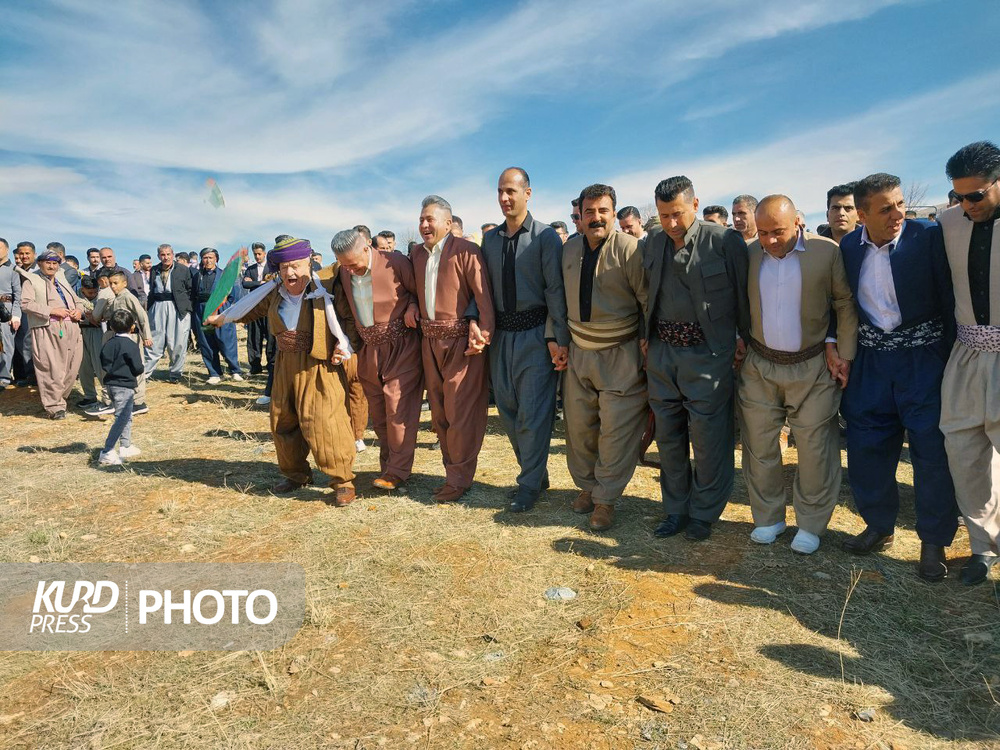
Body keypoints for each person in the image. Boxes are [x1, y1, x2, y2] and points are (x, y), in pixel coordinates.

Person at [838, 173, 959, 581]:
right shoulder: (848, 248)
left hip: (923, 359)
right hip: (873, 361)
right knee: (866, 443)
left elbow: (948, 297)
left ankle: (933, 541)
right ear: (862, 213)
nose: (897, 214)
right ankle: (878, 525)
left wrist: (946, 357)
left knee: (930, 449)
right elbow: (844, 303)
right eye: (885, 208)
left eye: (900, 204)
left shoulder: (927, 237)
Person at [738, 195, 857, 554]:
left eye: (779, 232)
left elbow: (843, 303)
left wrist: (843, 351)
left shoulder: (826, 252)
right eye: (763, 233)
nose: (770, 241)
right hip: (760, 365)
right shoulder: (747, 253)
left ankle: (811, 523)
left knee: (815, 447)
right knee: (758, 447)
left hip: (812, 365)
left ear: (798, 225)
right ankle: (769, 517)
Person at [207, 237, 360, 505]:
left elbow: (347, 320)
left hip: (318, 364)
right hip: (284, 364)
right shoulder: (273, 292)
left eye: (296, 266)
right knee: (283, 420)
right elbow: (249, 308)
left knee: (325, 421)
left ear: (308, 263)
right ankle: (296, 474)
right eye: (284, 267)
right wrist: (221, 318)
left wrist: (343, 345)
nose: (290, 273)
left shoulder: (324, 288)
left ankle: (342, 480)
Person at [644, 176, 749, 541]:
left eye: (677, 214)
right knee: (669, 438)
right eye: (663, 216)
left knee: (708, 439)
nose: (671, 224)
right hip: (662, 354)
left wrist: (742, 341)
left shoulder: (725, 241)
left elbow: (745, 297)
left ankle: (704, 513)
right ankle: (675, 510)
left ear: (694, 204)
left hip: (709, 354)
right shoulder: (653, 241)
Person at [481, 167, 568, 511]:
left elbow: (555, 291)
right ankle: (535, 473)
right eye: (500, 191)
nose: (505, 198)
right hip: (501, 337)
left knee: (533, 412)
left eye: (511, 191)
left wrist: (557, 338)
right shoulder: (489, 240)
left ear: (527, 194)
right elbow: (483, 290)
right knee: (508, 411)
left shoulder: (545, 237)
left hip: (536, 335)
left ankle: (529, 484)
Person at [563, 184, 647, 531]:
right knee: (580, 428)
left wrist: (646, 343)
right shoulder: (568, 249)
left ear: (613, 213)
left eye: (603, 211)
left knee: (616, 431)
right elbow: (557, 297)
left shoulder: (630, 250)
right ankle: (587, 487)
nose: (596, 218)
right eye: (589, 212)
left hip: (621, 356)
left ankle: (606, 499)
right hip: (579, 353)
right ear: (580, 216)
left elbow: (647, 300)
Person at [938, 140, 1000, 584]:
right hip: (965, 353)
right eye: (958, 196)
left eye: (975, 195)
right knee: (963, 452)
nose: (967, 204)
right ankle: (983, 547)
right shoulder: (946, 223)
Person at [411, 195, 495, 503]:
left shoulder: (467, 251)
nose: (424, 225)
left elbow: (483, 294)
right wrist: (409, 305)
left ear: (448, 222)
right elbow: (408, 290)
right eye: (421, 219)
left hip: (462, 344)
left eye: (430, 219)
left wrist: (482, 332)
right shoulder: (416, 255)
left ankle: (459, 479)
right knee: (440, 412)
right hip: (428, 343)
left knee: (462, 413)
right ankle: (452, 473)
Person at [334, 229, 423, 489]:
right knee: (380, 412)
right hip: (369, 349)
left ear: (367, 248)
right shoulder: (343, 271)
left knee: (398, 408)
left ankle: (397, 472)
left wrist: (413, 305)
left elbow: (420, 291)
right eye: (344, 265)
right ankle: (388, 467)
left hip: (401, 346)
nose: (349, 270)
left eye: (353, 264)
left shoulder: (395, 262)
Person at [19, 248, 85, 419]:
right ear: (40, 263)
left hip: (72, 327)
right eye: (47, 262)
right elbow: (26, 304)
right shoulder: (31, 281)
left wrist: (79, 310)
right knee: (51, 368)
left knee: (72, 367)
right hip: (48, 328)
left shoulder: (62, 279)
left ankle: (60, 399)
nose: (51, 266)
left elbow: (78, 300)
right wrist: (51, 310)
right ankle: (54, 407)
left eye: (55, 263)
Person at [92, 268, 153, 415]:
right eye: (111, 283)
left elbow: (141, 315)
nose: (113, 286)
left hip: (131, 336)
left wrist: (147, 336)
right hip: (117, 336)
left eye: (116, 283)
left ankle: (138, 402)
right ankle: (114, 401)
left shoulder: (128, 297)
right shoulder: (116, 297)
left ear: (124, 283)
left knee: (135, 367)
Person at [98, 309, 145, 466]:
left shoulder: (108, 344)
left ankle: (126, 445)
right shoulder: (131, 345)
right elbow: (138, 368)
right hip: (124, 386)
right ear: (132, 327)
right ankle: (107, 450)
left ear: (111, 327)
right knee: (122, 417)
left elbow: (104, 363)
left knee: (126, 415)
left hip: (110, 384)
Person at [192, 248, 244, 384]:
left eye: (210, 257)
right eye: (205, 258)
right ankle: (214, 373)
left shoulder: (225, 275)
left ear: (216, 259)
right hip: (202, 310)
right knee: (207, 343)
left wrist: (227, 311)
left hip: (221, 309)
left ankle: (235, 370)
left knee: (226, 341)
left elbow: (234, 295)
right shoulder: (197, 276)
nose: (208, 260)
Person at [144, 243, 194, 383]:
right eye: (162, 255)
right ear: (159, 256)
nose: (165, 257)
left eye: (168, 254)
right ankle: (144, 374)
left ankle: (175, 374)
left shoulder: (183, 270)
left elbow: (190, 290)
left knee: (177, 343)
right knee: (154, 341)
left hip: (178, 307)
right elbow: (152, 290)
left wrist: (186, 307)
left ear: (172, 255)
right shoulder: (154, 270)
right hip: (158, 307)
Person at [75, 275, 107, 410]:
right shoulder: (75, 297)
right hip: (80, 331)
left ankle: (108, 397)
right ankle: (89, 396)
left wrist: (93, 317)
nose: (93, 294)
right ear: (82, 289)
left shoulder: (102, 298)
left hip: (97, 331)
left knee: (99, 365)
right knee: (84, 365)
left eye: (95, 291)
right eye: (89, 292)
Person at [242, 242, 272, 376]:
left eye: (259, 254)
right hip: (254, 306)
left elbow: (273, 283)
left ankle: (272, 365)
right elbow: (245, 284)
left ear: (264, 253)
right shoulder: (251, 269)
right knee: (254, 337)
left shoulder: (272, 268)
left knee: (271, 337)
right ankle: (255, 366)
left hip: (269, 307)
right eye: (255, 254)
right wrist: (261, 283)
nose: (257, 256)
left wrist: (253, 283)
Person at [12, 242, 37, 385]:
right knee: (22, 343)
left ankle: (35, 376)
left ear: (34, 254)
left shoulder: (39, 270)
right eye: (21, 253)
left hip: (36, 310)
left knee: (31, 343)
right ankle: (29, 375)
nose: (24, 256)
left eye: (27, 253)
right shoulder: (17, 270)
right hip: (21, 310)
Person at [0, 238, 21, 388]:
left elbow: (18, 295)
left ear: (7, 249)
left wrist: (15, 315)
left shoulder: (13, 269)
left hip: (6, 308)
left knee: (6, 345)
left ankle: (4, 377)